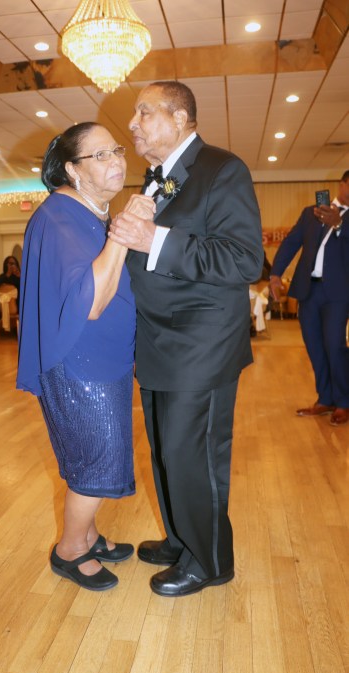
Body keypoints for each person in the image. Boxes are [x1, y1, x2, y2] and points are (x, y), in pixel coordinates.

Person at [109, 81, 263, 597]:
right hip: (158, 340)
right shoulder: (156, 180)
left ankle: (211, 560)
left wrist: (155, 239)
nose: (132, 124)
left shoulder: (222, 168)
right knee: (166, 452)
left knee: (192, 452)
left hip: (201, 343)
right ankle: (182, 538)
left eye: (143, 112)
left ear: (180, 117)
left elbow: (243, 259)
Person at [17, 123, 153, 592]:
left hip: (101, 361)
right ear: (72, 170)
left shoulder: (84, 213)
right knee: (96, 460)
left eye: (116, 150)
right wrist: (121, 231)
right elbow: (89, 301)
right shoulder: (59, 216)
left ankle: (88, 535)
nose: (117, 160)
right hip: (80, 365)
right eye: (100, 156)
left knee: (93, 452)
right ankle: (69, 550)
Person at [270, 170, 349, 426]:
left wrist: (340, 225)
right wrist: (275, 274)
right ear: (342, 184)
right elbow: (291, 243)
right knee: (314, 346)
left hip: (338, 294)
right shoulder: (311, 213)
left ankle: (344, 402)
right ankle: (325, 398)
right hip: (308, 291)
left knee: (335, 345)